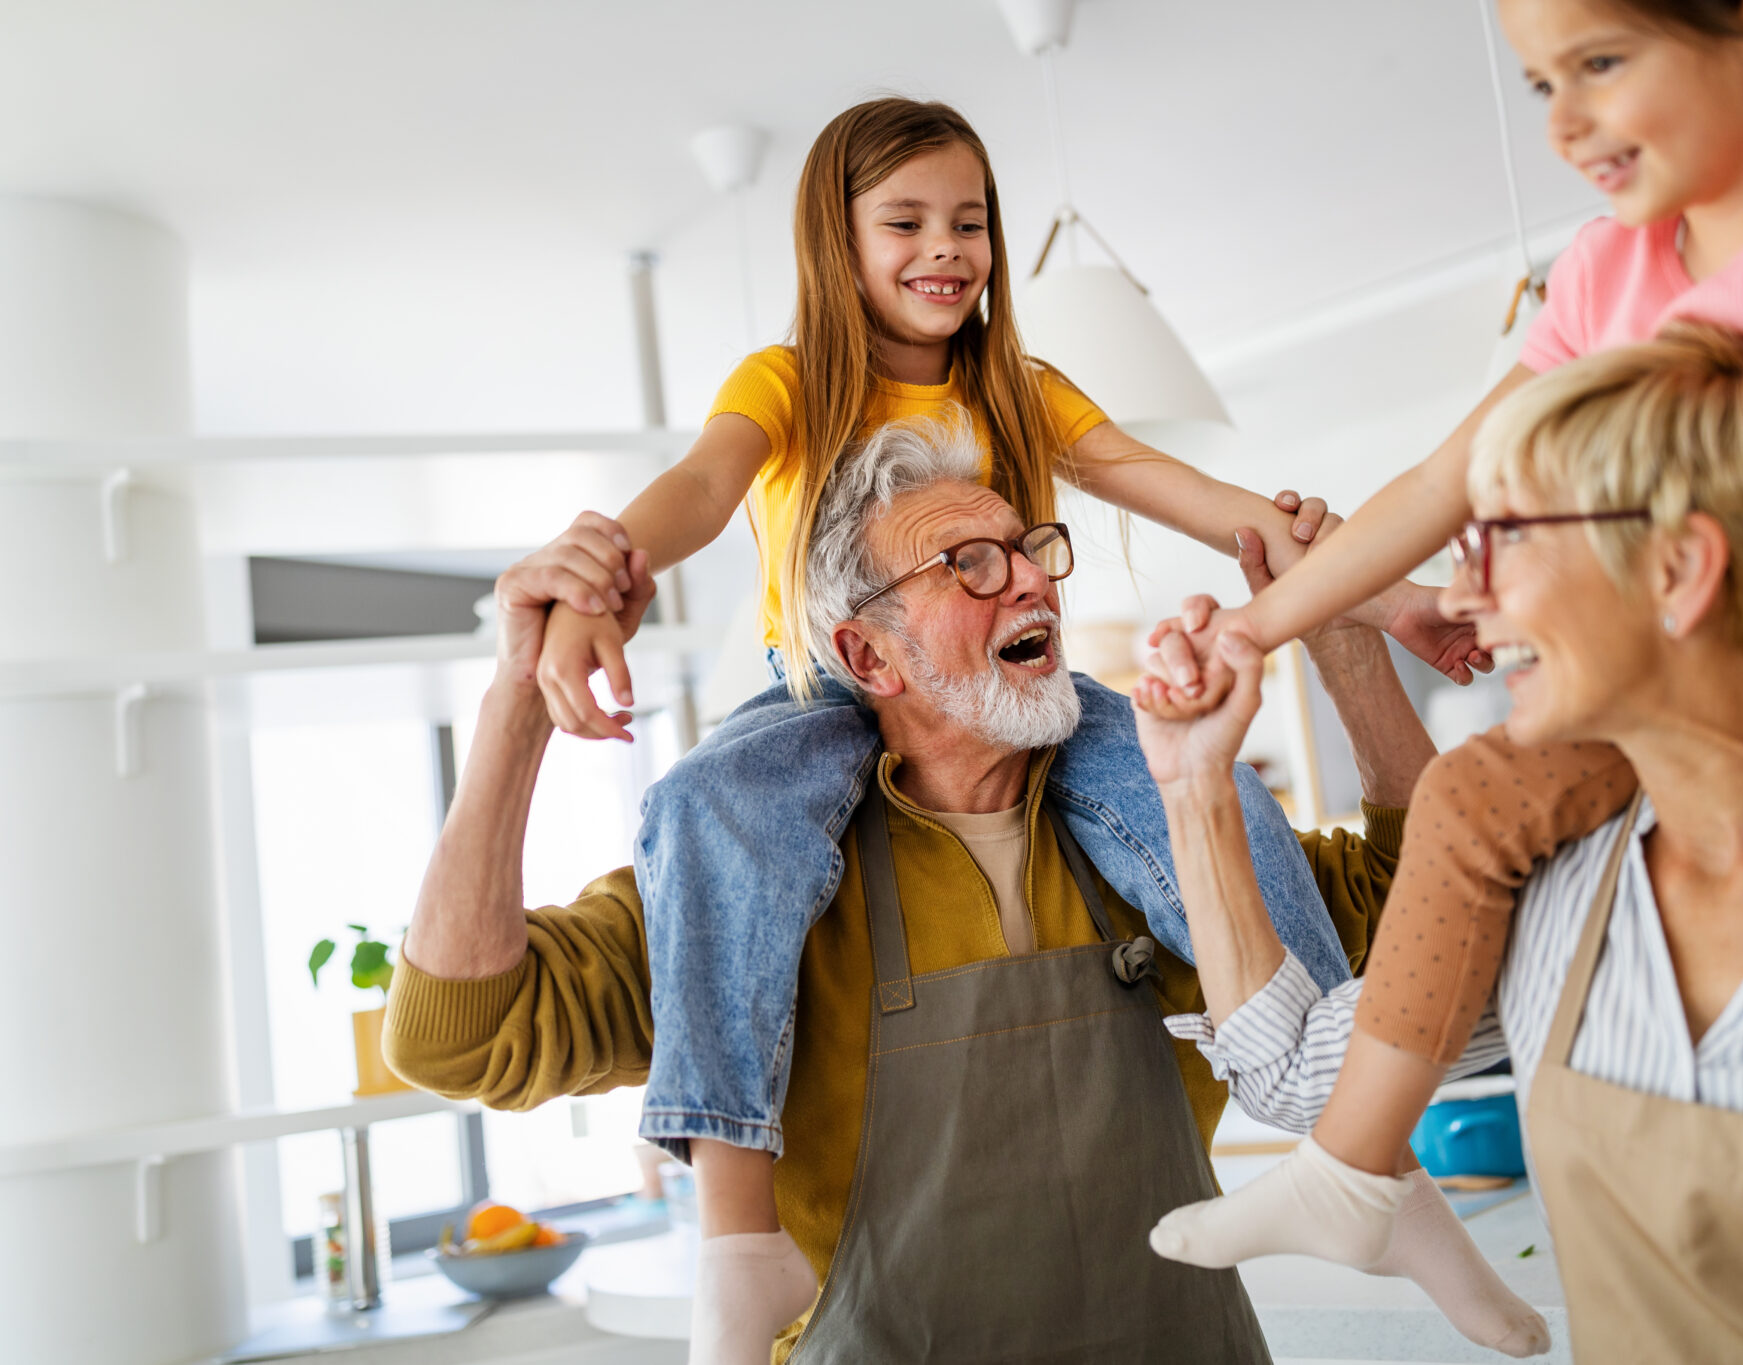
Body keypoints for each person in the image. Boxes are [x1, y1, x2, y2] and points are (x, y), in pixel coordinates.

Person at [1135, 4, 1743, 1353]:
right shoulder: (1616, 272)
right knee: (1472, 797)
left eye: (1602, 66)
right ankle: (1350, 1174)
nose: (1561, 122)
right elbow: (1444, 482)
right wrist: (1260, 633)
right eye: (1541, 81)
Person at [502, 95, 1489, 1313]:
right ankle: (735, 1244)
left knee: (1217, 792)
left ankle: (1363, 1155)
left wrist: (1401, 604)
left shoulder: (1018, 386)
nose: (945, 247)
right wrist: (605, 569)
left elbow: (1204, 499)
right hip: (817, 688)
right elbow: (703, 488)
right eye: (905, 220)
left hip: (1013, 685)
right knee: (704, 806)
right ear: (835, 243)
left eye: (968, 220)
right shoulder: (789, 381)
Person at [387, 415, 1549, 1365]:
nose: (1030, 587)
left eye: (1030, 550)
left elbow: (1425, 924)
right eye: (968, 566)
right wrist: (513, 710)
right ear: (870, 657)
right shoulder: (745, 886)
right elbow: (461, 1037)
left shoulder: (1159, 829)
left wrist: (1348, 643)